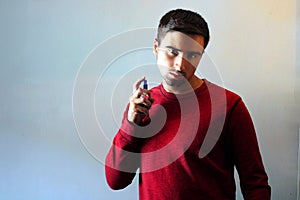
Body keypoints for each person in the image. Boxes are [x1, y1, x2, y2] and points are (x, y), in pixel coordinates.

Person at [105, 8, 271, 200]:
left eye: (192, 55)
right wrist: (130, 125)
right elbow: (116, 182)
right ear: (156, 47)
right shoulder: (141, 106)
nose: (180, 65)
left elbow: (255, 184)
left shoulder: (229, 106)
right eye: (172, 52)